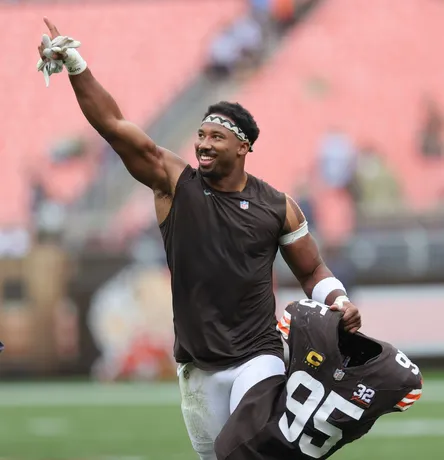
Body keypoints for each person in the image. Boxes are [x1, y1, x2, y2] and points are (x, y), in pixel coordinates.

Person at [37, 18, 361, 460]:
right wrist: (77, 66)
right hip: (197, 364)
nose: (203, 144)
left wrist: (337, 300)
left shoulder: (278, 205)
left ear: (243, 148)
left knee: (243, 450)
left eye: (216, 137)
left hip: (259, 356)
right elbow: (114, 126)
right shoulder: (176, 184)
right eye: (201, 135)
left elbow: (312, 270)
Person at [215, 299, 423, 460]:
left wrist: (332, 319)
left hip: (240, 444)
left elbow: (290, 312)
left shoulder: (308, 321)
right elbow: (410, 395)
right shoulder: (401, 379)